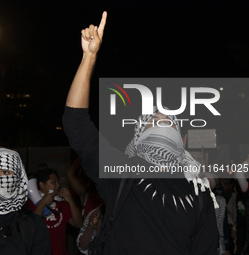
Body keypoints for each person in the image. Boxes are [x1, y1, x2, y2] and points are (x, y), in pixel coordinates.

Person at [62, 12, 219, 254]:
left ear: (181, 140)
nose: (161, 122)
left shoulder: (199, 194)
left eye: (169, 122)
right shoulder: (122, 171)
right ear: (137, 137)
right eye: (152, 121)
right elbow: (76, 123)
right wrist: (89, 57)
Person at [30, 168, 83, 255]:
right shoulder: (31, 203)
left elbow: (78, 224)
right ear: (42, 185)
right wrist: (43, 202)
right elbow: (32, 226)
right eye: (53, 182)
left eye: (57, 182)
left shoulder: (61, 203)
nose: (58, 185)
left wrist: (70, 201)